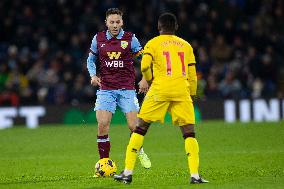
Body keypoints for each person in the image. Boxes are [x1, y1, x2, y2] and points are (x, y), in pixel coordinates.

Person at [114, 12, 208, 184]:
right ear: (176, 27)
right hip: (181, 90)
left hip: (160, 89)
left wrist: (150, 80)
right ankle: (195, 175)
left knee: (140, 128)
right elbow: (193, 75)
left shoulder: (153, 43)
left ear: (159, 27)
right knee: (189, 133)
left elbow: (144, 66)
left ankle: (127, 173)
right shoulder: (186, 45)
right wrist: (192, 93)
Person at [86, 8, 151, 175]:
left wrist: (145, 78)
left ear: (122, 22)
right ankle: (104, 162)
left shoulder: (130, 39)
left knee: (133, 126)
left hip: (127, 89)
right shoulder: (98, 38)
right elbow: (91, 59)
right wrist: (93, 75)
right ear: (106, 23)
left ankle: (140, 151)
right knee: (102, 124)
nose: (115, 25)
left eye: (118, 22)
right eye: (111, 22)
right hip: (106, 89)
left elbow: (144, 59)